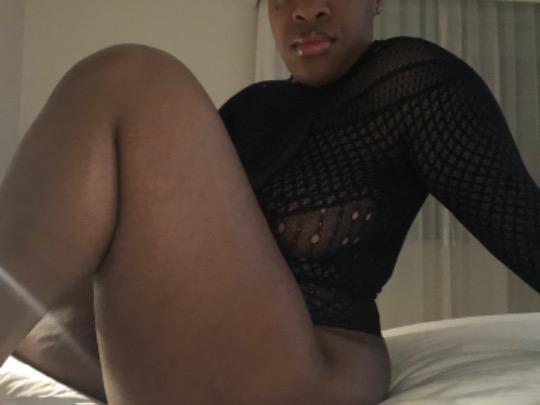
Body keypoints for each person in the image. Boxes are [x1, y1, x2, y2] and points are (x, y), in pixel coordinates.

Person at [1, 0, 538, 403]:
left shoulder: (413, 80)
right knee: (42, 285)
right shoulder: (254, 107)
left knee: (130, 76)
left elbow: (524, 229)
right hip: (203, 347)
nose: (306, 9)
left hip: (312, 360)